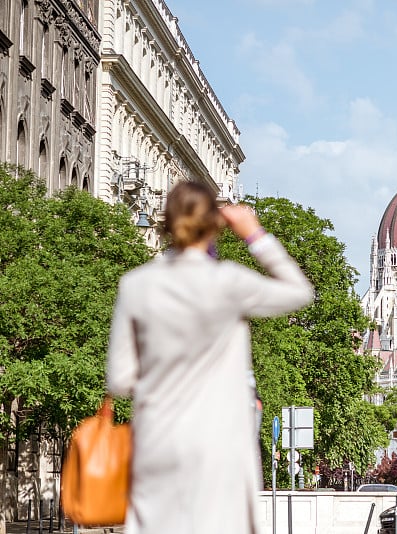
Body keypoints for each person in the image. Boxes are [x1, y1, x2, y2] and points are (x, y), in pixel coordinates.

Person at [106, 181, 314, 534]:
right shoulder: (229, 282)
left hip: (158, 442)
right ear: (215, 225)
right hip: (220, 444)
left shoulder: (136, 285)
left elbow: (119, 379)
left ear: (166, 223)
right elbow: (300, 292)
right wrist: (254, 234)